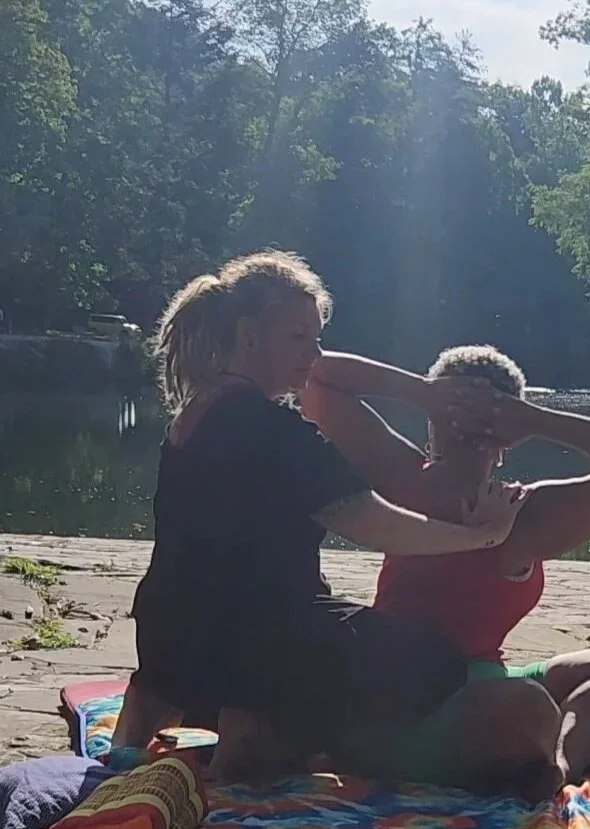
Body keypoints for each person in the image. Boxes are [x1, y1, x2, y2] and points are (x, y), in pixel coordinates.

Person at [110, 253, 528, 783]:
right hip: (244, 646)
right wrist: (483, 536)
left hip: (167, 638)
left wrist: (426, 394)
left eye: (316, 337)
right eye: (297, 337)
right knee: (433, 665)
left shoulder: (197, 411)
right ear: (248, 336)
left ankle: (148, 722)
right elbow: (370, 522)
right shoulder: (274, 430)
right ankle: (251, 732)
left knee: (291, 611)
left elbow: (327, 376)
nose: (314, 353)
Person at [301, 345, 590, 801]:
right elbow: (314, 377)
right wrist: (529, 419)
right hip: (403, 701)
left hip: (476, 686)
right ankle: (548, 757)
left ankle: (555, 765)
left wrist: (429, 395)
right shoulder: (416, 483)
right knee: (523, 703)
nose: (463, 430)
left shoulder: (515, 508)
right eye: (453, 414)